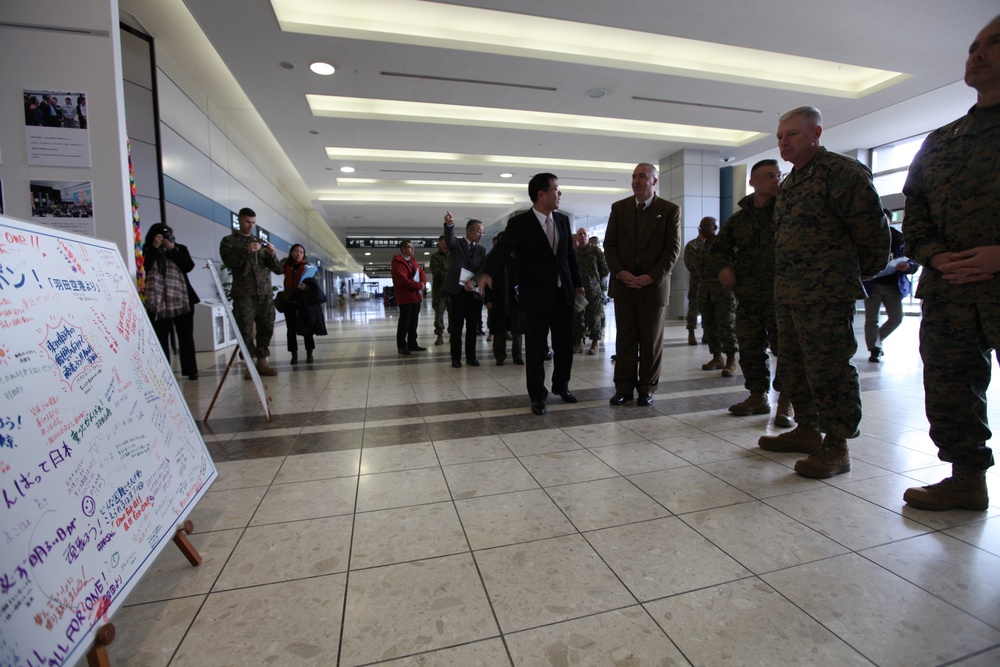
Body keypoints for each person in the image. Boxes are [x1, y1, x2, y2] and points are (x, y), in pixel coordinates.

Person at [901, 15, 1000, 512]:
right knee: (949, 386)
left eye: (994, 43)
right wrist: (935, 255)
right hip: (950, 290)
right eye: (973, 46)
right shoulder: (942, 141)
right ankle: (966, 478)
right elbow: (913, 212)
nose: (977, 53)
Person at [757, 106, 889, 479]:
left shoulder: (842, 173)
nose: (784, 142)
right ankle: (807, 430)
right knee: (795, 366)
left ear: (816, 133)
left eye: (792, 135)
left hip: (826, 295)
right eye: (780, 137)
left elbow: (874, 237)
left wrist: (843, 276)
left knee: (830, 369)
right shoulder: (792, 182)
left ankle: (837, 447)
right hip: (790, 294)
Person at [476, 173, 585, 415]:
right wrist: (486, 272)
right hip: (536, 297)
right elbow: (503, 250)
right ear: (541, 194)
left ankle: (561, 386)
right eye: (556, 189)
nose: (560, 193)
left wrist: (577, 283)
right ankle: (538, 395)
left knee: (564, 345)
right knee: (536, 348)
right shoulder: (520, 224)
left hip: (563, 294)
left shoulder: (564, 221)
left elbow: (569, 257)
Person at [712, 159, 795, 427]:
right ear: (753, 182)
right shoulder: (739, 219)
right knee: (750, 347)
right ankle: (758, 395)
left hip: (782, 296)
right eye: (769, 176)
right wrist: (725, 267)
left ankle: (787, 401)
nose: (776, 180)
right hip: (748, 296)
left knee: (786, 350)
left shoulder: (788, 211)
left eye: (778, 175)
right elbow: (719, 249)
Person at [604, 163, 682, 407]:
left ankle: (647, 388)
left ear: (654, 182)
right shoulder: (619, 208)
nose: (636, 181)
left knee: (650, 342)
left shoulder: (669, 210)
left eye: (643, 177)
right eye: (634, 177)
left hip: (653, 287)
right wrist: (620, 272)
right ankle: (623, 388)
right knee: (625, 340)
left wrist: (652, 276)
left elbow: (672, 249)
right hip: (625, 285)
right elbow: (610, 246)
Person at [219, 207, 283, 377]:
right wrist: (246, 252)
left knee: (266, 326)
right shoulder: (229, 242)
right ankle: (249, 365)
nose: (250, 226)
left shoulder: (260, 241)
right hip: (244, 293)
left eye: (253, 223)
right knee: (245, 329)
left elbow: (276, 269)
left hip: (264, 293)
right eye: (247, 222)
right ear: (239, 220)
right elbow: (231, 263)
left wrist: (272, 254)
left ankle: (262, 362)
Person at [142, 223, 199, 380]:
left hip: (182, 299)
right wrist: (154, 248)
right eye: (162, 236)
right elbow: (144, 268)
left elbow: (188, 266)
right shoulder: (146, 250)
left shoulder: (179, 248)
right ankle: (164, 370)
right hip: (157, 302)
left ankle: (191, 370)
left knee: (186, 336)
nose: (166, 238)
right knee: (161, 338)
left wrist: (172, 249)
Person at [863, 214, 918, 362]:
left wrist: (908, 267)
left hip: (894, 285)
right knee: (871, 319)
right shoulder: (867, 239)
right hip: (872, 285)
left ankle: (876, 340)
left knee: (896, 318)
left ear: (890, 221)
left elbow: (914, 261)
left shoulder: (901, 239)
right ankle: (875, 349)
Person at [694, 216, 738, 377]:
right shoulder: (700, 247)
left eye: (706, 226)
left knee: (726, 325)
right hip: (705, 291)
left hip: (723, 292)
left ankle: (731, 359)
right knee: (709, 325)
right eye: (701, 226)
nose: (702, 229)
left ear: (715, 227)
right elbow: (697, 268)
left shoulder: (724, 246)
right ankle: (717, 357)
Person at [442, 214, 487, 367]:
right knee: (457, 326)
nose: (481, 234)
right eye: (479, 231)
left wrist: (472, 281)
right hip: (457, 292)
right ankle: (456, 358)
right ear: (469, 230)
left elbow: (482, 270)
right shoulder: (457, 244)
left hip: (473, 293)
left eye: (482, 232)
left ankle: (471, 357)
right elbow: (449, 238)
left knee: (472, 327)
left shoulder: (481, 250)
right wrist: (449, 225)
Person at [280, 244, 327, 364]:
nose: (298, 254)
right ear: (291, 253)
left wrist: (306, 286)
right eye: (296, 251)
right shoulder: (286, 266)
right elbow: (277, 269)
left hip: (303, 302)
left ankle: (309, 353)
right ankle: (293, 354)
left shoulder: (308, 267)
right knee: (290, 329)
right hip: (289, 301)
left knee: (307, 328)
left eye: (301, 252)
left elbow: (313, 284)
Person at [484, 231, 523, 366]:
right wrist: (487, 299)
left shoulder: (517, 258)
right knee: (499, 329)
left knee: (517, 329)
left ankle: (517, 355)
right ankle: (499, 355)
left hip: (515, 300)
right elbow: (487, 280)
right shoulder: (492, 259)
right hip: (498, 299)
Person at [573, 227, 609, 355]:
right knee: (578, 316)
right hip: (578, 290)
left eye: (584, 234)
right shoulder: (574, 253)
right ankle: (579, 342)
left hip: (593, 290)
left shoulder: (596, 251)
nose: (582, 236)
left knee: (594, 317)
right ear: (577, 237)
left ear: (588, 236)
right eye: (580, 234)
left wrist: (597, 282)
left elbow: (605, 269)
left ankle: (594, 343)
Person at [391, 239, 427, 355]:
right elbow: (403, 281)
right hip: (406, 297)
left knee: (414, 322)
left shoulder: (413, 261)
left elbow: (421, 273)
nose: (412, 249)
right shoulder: (398, 263)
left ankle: (412, 343)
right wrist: (418, 286)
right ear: (403, 249)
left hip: (416, 297)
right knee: (405, 322)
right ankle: (402, 346)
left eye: (413, 247)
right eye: (409, 247)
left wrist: (422, 284)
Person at [683, 224, 710, 346]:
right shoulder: (692, 245)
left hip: (709, 283)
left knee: (707, 308)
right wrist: (702, 273)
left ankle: (706, 332)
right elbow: (689, 263)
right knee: (693, 307)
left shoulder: (713, 245)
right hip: (696, 282)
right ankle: (691, 333)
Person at [429, 234, 451, 346]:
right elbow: (436, 272)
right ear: (439, 244)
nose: (445, 246)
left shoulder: (454, 256)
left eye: (447, 243)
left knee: (453, 314)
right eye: (443, 244)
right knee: (439, 314)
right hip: (439, 291)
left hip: (452, 291)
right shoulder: (435, 257)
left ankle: (453, 334)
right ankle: (439, 335)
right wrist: (450, 276)